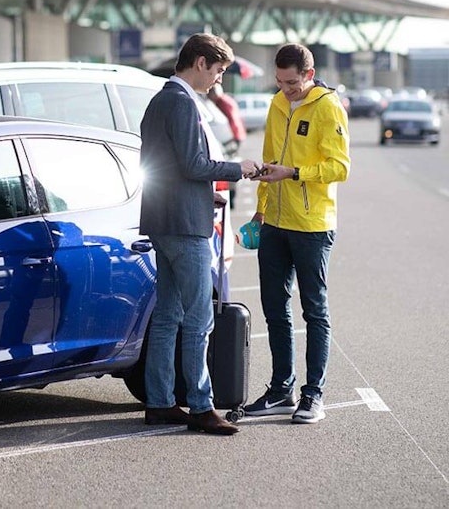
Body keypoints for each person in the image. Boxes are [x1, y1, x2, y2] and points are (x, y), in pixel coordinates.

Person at [139, 33, 260, 435]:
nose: (218, 80)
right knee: (199, 319)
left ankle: (159, 402)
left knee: (168, 316)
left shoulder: (159, 100)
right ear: (201, 62)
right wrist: (235, 169)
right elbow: (193, 164)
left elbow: (170, 168)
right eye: (219, 71)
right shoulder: (181, 102)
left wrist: (204, 196)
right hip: (186, 227)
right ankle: (201, 407)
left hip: (164, 220)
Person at [244, 43, 350, 424]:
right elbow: (269, 159)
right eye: (279, 81)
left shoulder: (327, 106)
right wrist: (259, 209)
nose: (285, 89)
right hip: (274, 221)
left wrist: (295, 173)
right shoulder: (276, 104)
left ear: (308, 74)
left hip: (312, 226)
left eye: (291, 83)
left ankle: (313, 395)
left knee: (314, 311)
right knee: (275, 309)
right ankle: (280, 390)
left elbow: (340, 167)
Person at [207, 83, 247, 151]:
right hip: (237, 132)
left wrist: (230, 134)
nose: (208, 97)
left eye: (209, 94)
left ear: (214, 93)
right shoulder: (226, 98)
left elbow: (231, 119)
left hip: (233, 134)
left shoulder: (222, 102)